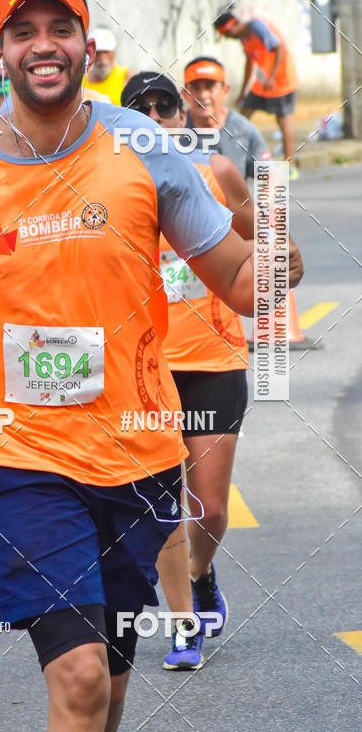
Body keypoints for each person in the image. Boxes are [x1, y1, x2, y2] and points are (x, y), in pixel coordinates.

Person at [0, 0, 263, 731]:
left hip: (138, 450)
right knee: (79, 677)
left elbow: (240, 281)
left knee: (109, 684)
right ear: (0, 51)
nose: (43, 46)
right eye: (24, 32)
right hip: (16, 454)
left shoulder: (142, 147)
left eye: (60, 29)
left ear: (87, 46)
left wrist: (277, 251)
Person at [121, 72, 303, 672]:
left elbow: (262, 240)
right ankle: (182, 625)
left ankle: (200, 575)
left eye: (163, 104)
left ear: (181, 113)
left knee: (212, 508)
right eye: (140, 108)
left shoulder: (218, 173)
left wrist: (281, 261)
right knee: (166, 502)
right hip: (146, 366)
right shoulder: (114, 188)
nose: (155, 115)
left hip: (215, 360)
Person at [214, 12, 299, 176]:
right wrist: (243, 92)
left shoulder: (256, 27)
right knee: (242, 118)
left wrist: (273, 77)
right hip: (262, 83)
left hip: (281, 81)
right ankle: (236, 159)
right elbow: (250, 63)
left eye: (226, 34)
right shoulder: (244, 38)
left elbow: (279, 48)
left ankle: (290, 167)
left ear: (231, 27)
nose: (227, 38)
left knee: (283, 121)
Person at [182, 56, 271, 179]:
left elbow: (272, 178)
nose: (203, 95)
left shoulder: (243, 130)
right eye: (195, 88)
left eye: (210, 87)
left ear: (225, 90)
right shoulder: (174, 132)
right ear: (185, 93)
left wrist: (266, 196)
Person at [85, 27, 133, 105]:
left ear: (114, 52)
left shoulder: (126, 76)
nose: (102, 58)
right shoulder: (81, 79)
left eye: (106, 52)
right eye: (98, 52)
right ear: (90, 53)